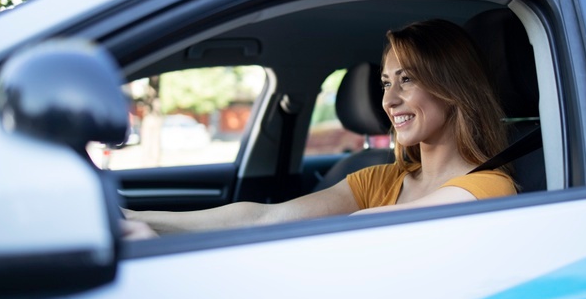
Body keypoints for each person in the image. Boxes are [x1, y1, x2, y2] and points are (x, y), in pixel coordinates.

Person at [123, 19, 516, 236]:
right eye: (385, 83)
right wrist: (136, 219)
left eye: (407, 79)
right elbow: (263, 219)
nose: (388, 100)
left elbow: (366, 230)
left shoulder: (489, 187)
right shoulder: (380, 181)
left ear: (451, 88)